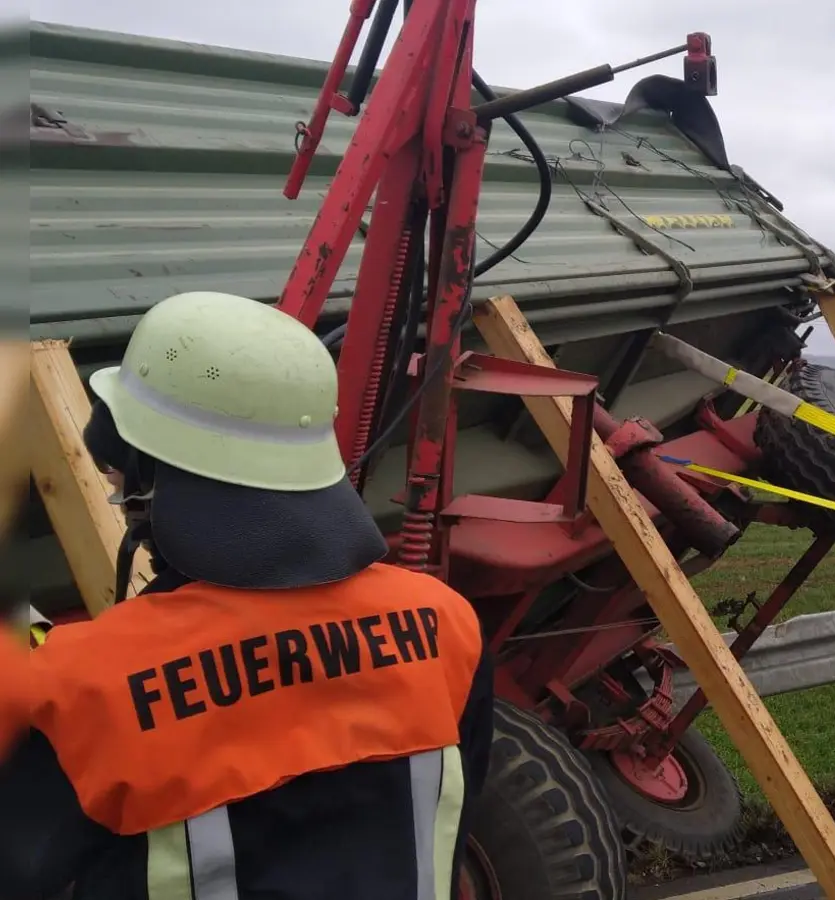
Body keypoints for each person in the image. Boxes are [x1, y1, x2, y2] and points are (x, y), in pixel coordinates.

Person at [0, 291, 495, 900]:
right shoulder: (446, 625)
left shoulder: (81, 688)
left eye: (119, 462)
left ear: (157, 479)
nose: (110, 478)